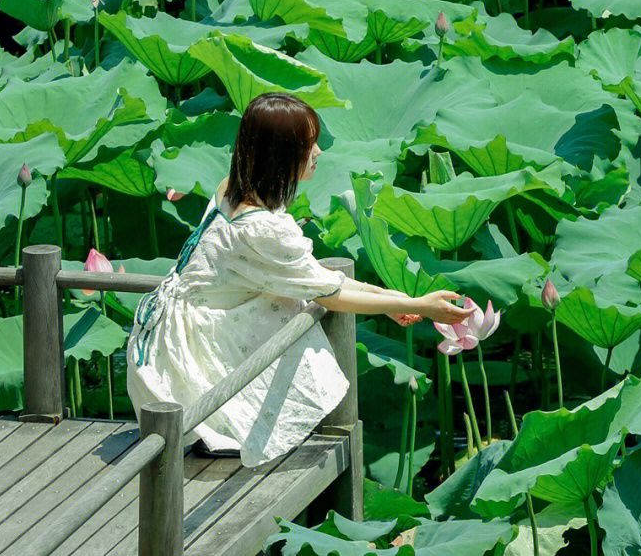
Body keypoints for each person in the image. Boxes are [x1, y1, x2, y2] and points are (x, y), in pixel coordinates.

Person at [126, 92, 467, 467]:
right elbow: (329, 292)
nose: (319, 152)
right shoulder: (261, 228)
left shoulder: (233, 189)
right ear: (279, 153)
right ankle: (223, 433)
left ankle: (218, 431)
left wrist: (391, 298)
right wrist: (416, 304)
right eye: (308, 145)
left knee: (291, 297)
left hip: (164, 330)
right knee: (291, 307)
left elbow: (314, 277)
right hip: (184, 347)